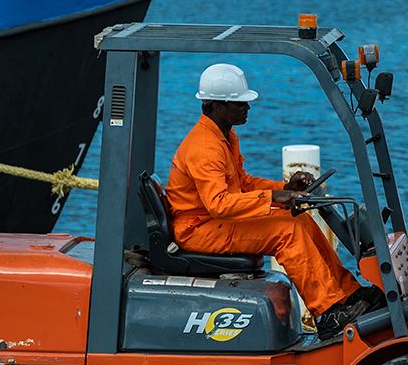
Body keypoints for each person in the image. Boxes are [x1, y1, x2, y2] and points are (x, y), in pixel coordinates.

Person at [164, 63, 385, 339]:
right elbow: (219, 204)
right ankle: (327, 312)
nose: (248, 108)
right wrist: (274, 198)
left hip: (215, 222)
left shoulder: (224, 136)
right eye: (241, 103)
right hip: (200, 229)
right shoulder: (205, 147)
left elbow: (242, 184)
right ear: (218, 106)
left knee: (299, 218)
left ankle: (347, 295)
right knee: (286, 231)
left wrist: (284, 188)